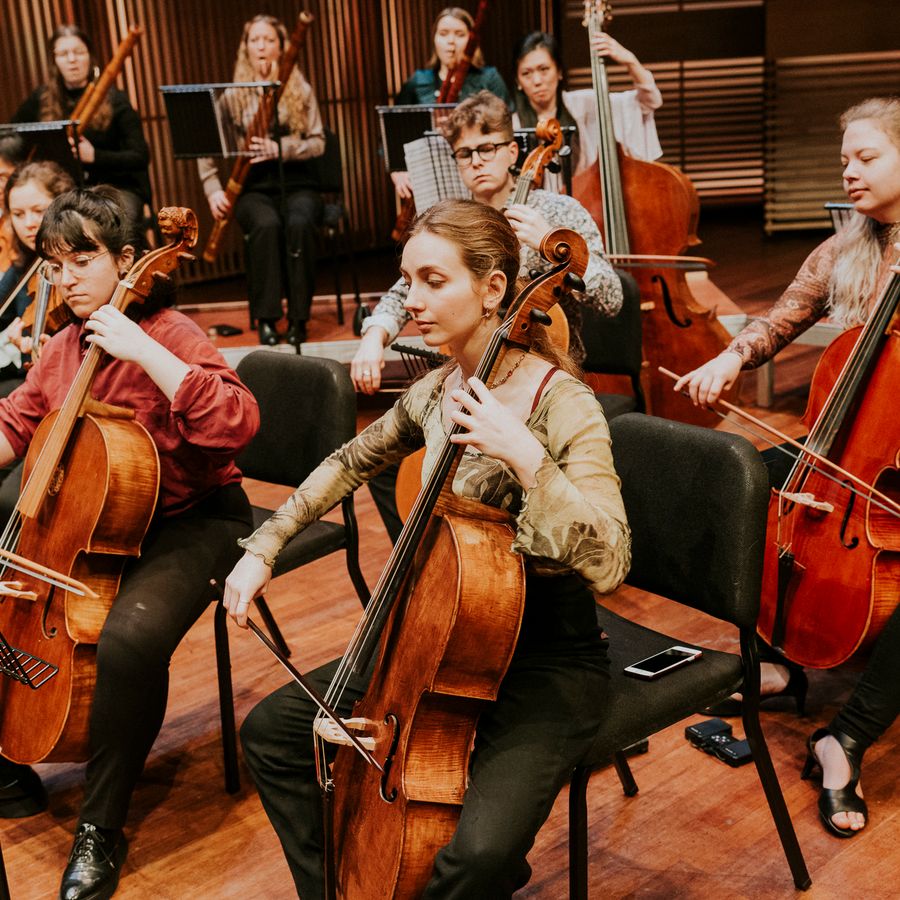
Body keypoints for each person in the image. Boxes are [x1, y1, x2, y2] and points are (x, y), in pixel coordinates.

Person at [223, 198, 631, 897]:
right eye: (408, 280)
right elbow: (349, 461)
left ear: (495, 288)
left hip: (545, 660)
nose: (412, 300)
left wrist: (530, 461)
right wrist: (265, 546)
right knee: (272, 733)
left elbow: (612, 560)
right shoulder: (438, 389)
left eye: (433, 281)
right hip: (436, 637)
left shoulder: (563, 404)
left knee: (475, 861)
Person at [0, 186, 260, 899]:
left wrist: (143, 350)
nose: (68, 277)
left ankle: (100, 827)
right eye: (54, 262)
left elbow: (236, 423)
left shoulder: (172, 334)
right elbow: (17, 424)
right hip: (102, 529)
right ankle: (7, 769)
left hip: (197, 520)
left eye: (83, 258)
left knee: (129, 641)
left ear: (125, 259)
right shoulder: (62, 348)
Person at [674, 95, 900, 839]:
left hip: (887, 475)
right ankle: (777, 665)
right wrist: (730, 356)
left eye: (867, 157)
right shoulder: (850, 245)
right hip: (845, 454)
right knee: (744, 486)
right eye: (846, 158)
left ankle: (847, 737)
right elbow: (784, 317)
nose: (850, 171)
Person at [355, 90, 623, 541]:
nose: (476, 161)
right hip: (471, 377)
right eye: (465, 153)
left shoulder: (558, 211)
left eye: (488, 148)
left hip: (541, 382)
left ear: (514, 151)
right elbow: (406, 289)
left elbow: (612, 295)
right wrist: (373, 335)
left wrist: (553, 246)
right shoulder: (457, 222)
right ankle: (433, 564)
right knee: (384, 467)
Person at [197, 14, 325, 347]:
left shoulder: (301, 89)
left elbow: (318, 141)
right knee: (266, 226)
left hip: (298, 183)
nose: (262, 46)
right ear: (247, 48)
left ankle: (299, 317)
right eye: (255, 40)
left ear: (282, 47)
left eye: (269, 40)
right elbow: (206, 145)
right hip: (253, 187)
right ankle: (267, 318)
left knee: (299, 222)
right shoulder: (234, 96)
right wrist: (212, 189)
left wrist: (280, 148)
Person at [12, 25, 151, 236]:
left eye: (78, 52)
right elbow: (13, 137)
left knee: (113, 230)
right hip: (66, 191)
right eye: (63, 54)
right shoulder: (41, 99)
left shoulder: (116, 99)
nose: (72, 59)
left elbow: (140, 156)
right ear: (55, 61)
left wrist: (95, 156)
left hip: (117, 188)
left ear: (90, 56)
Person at [512, 30, 663, 193]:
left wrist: (630, 61)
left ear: (559, 72)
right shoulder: (513, 125)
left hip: (585, 206)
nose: (537, 81)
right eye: (526, 73)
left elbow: (649, 101)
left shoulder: (583, 105)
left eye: (544, 69)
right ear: (518, 81)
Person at [390, 6, 511, 202]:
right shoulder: (418, 81)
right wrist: (397, 170)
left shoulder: (488, 78)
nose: (451, 42)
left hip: (481, 170)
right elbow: (393, 133)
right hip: (430, 176)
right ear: (434, 39)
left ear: (472, 40)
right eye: (444, 34)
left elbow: (508, 124)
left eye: (460, 34)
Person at [0, 161, 75, 392]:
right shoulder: (26, 263)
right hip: (34, 372)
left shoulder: (80, 265)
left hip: (69, 379)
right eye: (19, 214)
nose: (29, 224)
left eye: (39, 211)